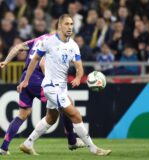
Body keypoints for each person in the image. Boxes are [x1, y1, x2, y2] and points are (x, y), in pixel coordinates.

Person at [18, 14, 112, 156]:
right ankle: (93, 148)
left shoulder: (73, 45)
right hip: (50, 86)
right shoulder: (48, 42)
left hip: (62, 87)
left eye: (71, 24)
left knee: (51, 118)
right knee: (76, 115)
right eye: (67, 24)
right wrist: (26, 80)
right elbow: (35, 60)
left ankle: (27, 143)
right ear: (60, 26)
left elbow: (79, 66)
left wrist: (78, 77)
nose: (70, 27)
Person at [0, 33, 85, 155]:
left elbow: (17, 47)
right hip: (38, 79)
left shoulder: (38, 39)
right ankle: (72, 141)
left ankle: (3, 148)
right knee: (66, 104)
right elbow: (42, 64)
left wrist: (6, 61)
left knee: (23, 114)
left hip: (25, 79)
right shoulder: (53, 43)